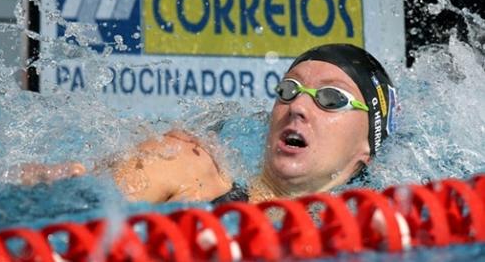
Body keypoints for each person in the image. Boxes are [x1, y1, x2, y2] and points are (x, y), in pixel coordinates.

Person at [21, 44, 396, 204]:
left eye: (332, 98)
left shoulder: (371, 231)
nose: (297, 105)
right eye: (287, 89)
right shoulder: (187, 166)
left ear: (366, 147)